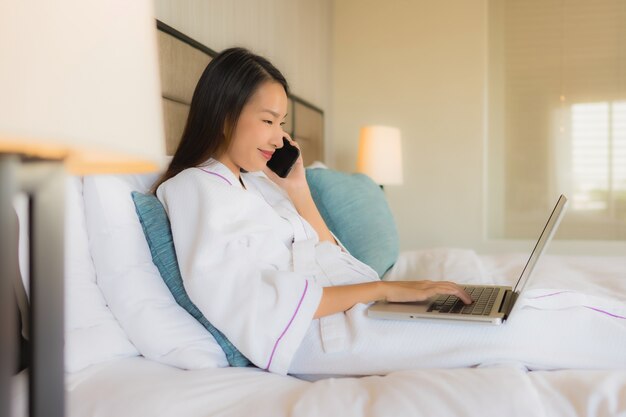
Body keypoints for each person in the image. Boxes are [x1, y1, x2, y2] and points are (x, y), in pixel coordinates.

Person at [154, 47, 472, 375]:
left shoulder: (260, 185)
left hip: (342, 313)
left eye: (281, 123)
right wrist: (384, 289)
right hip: (306, 335)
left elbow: (326, 253)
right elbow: (248, 300)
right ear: (224, 116)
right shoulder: (193, 188)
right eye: (267, 120)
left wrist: (298, 190)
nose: (279, 139)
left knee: (482, 317)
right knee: (494, 332)